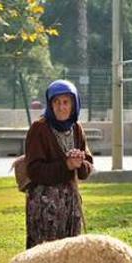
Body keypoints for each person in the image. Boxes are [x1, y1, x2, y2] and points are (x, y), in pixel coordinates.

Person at [23, 79, 94, 249]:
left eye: (66, 102)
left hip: (70, 202)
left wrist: (80, 163)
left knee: (70, 253)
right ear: (50, 104)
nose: (61, 107)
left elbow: (87, 166)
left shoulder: (76, 129)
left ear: (73, 104)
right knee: (46, 254)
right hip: (46, 204)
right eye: (56, 102)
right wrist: (66, 166)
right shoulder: (39, 129)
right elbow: (34, 170)